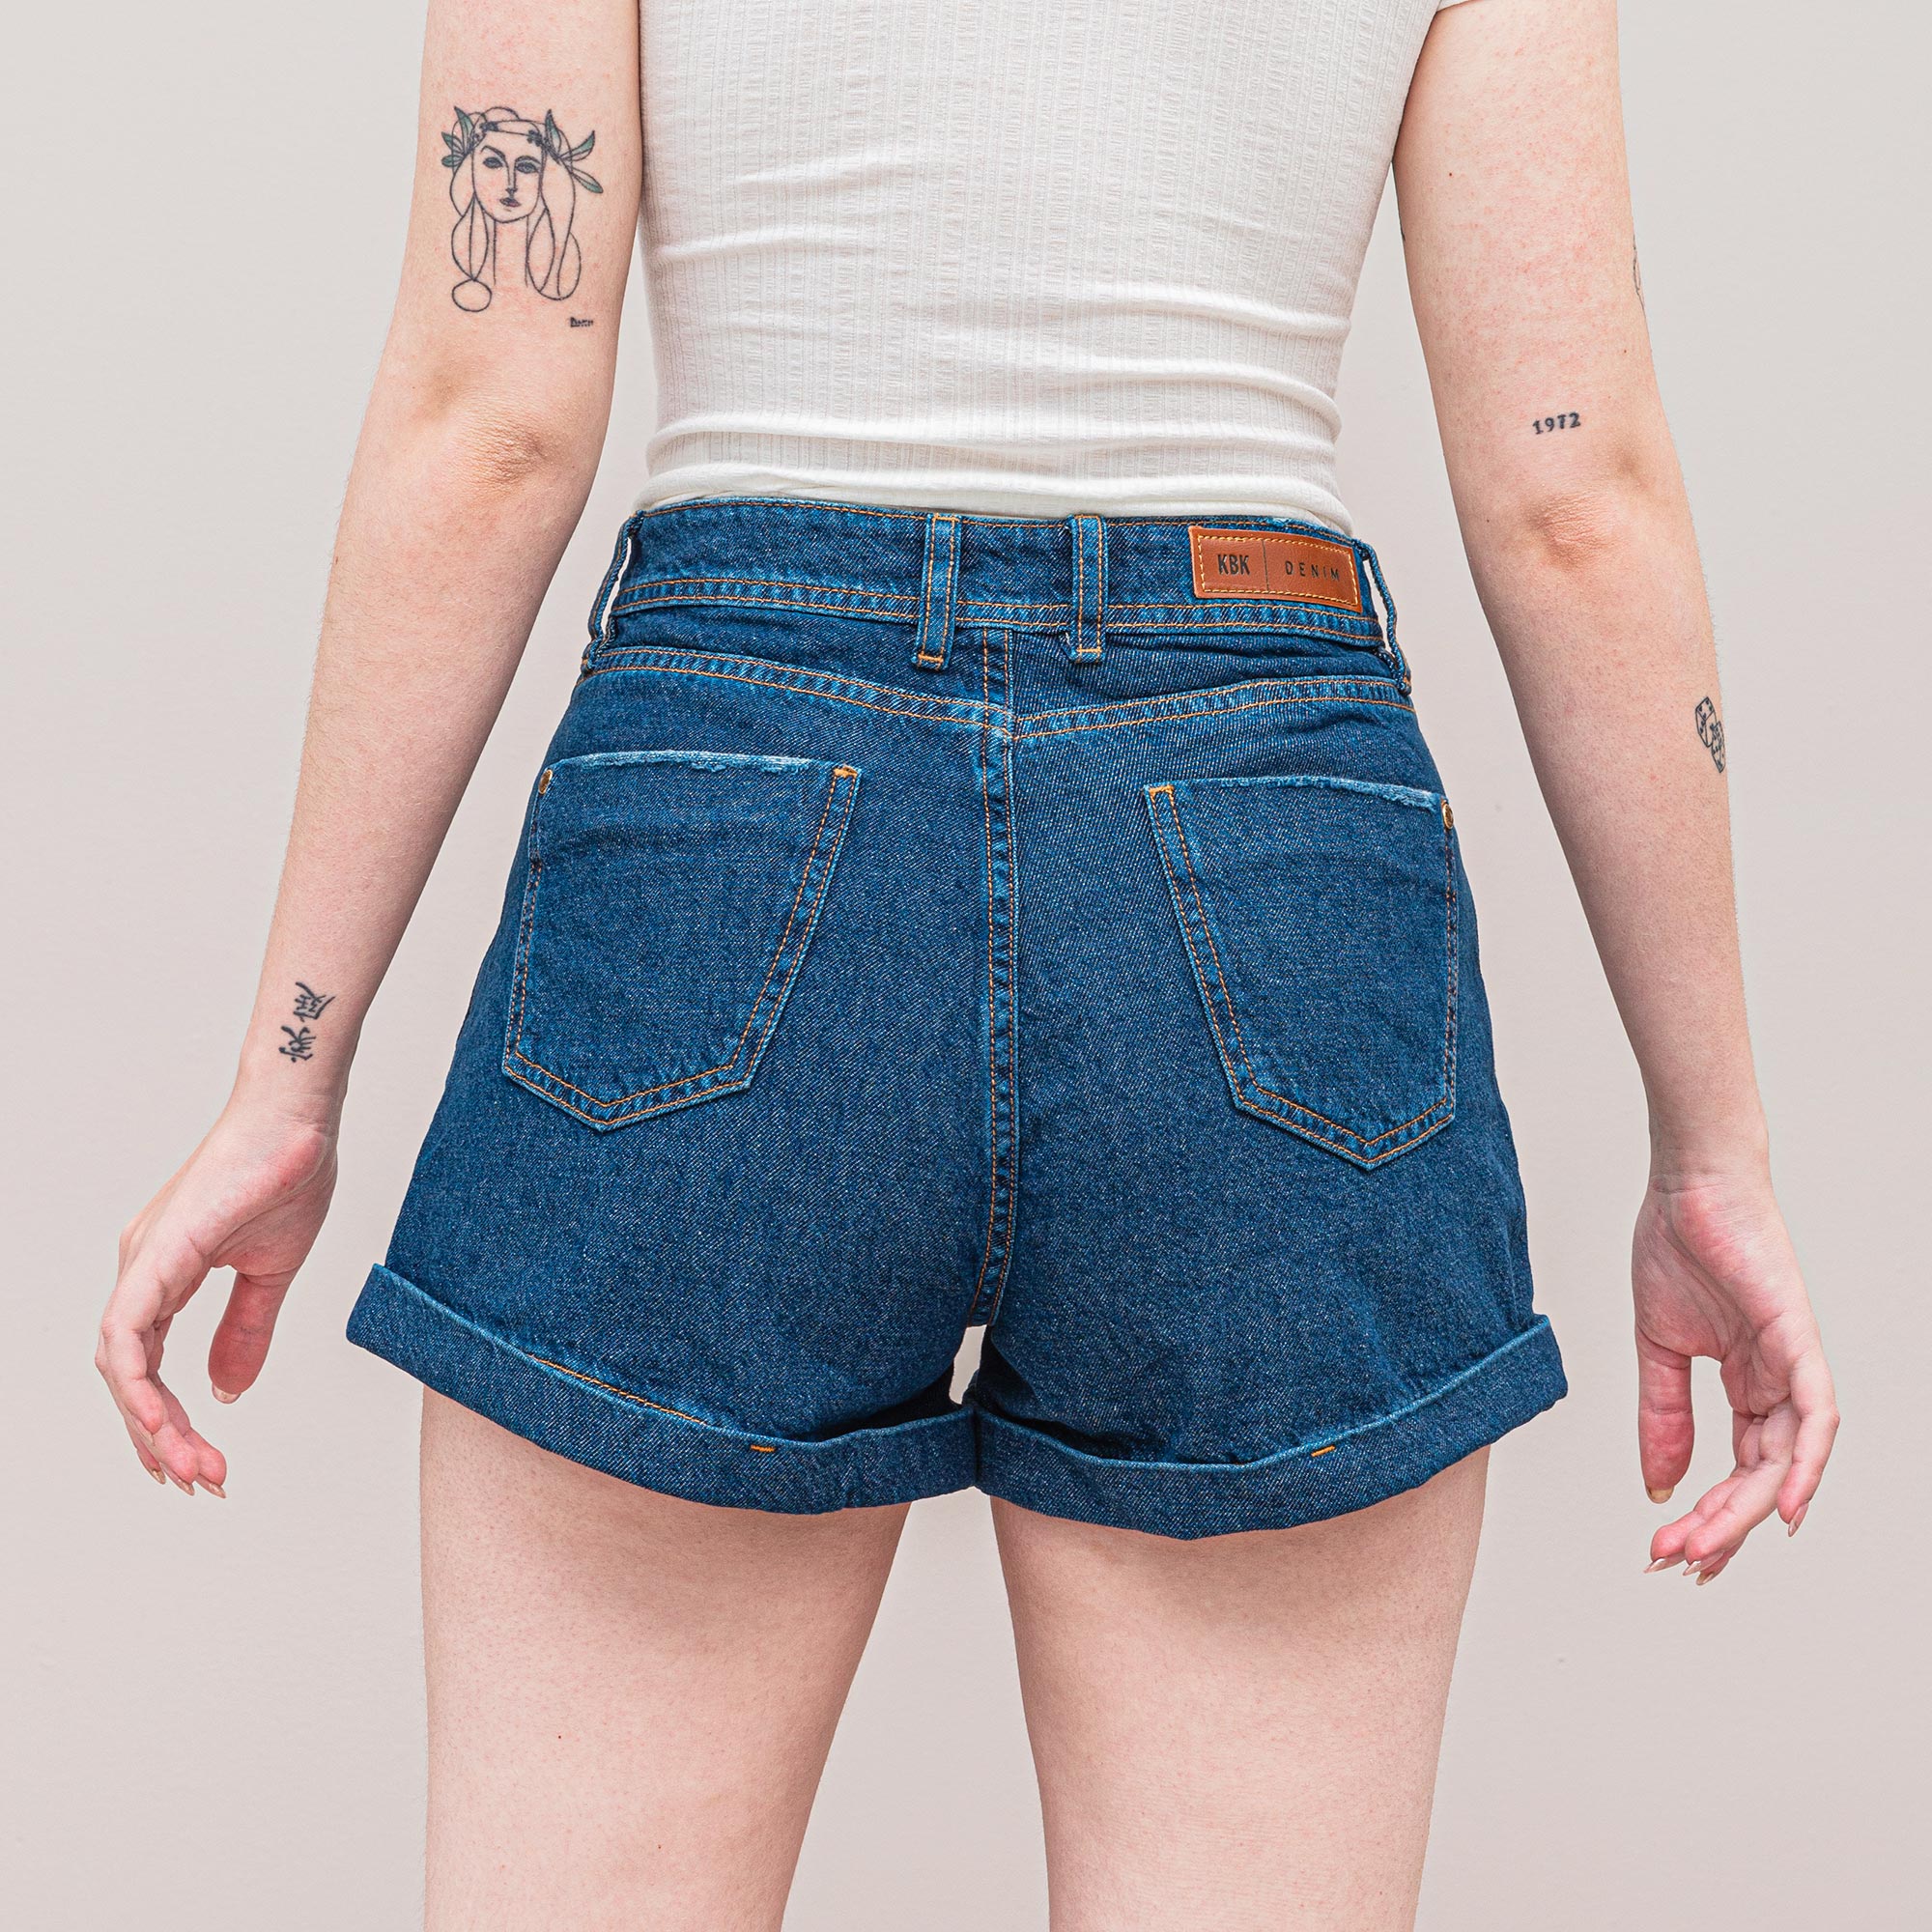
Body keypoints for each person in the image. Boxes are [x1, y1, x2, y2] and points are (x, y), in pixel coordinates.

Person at [96, 0, 1839, 1924]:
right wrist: (1712, 1150)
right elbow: (1572, 499)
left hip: (728, 801)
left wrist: (285, 1082)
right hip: (1264, 822)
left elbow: (491, 426)